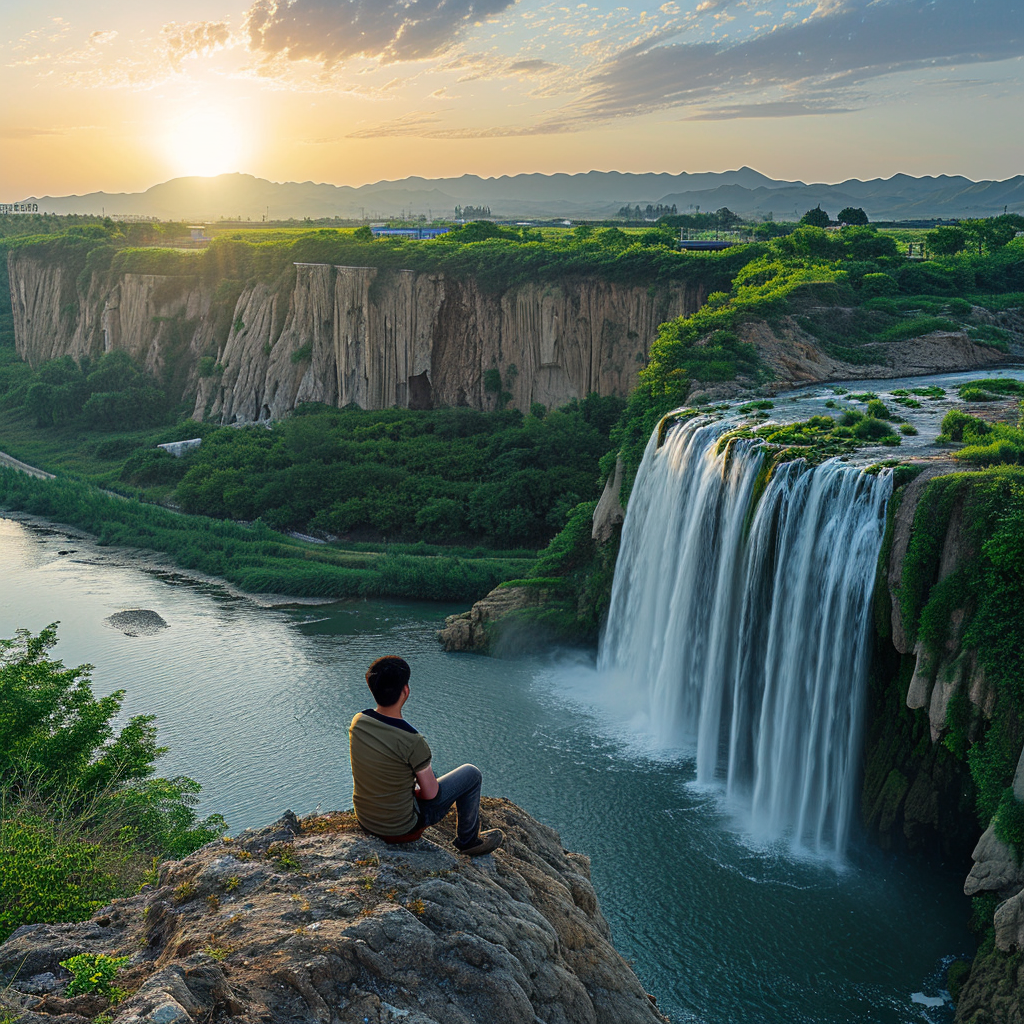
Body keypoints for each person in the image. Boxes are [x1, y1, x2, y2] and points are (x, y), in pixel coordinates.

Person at [349, 655, 503, 856]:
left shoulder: (358, 722)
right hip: (400, 830)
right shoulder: (412, 740)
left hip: (366, 820)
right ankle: (469, 841)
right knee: (471, 774)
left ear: (372, 688)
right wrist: (417, 791)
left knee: (420, 774)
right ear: (406, 691)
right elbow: (431, 794)